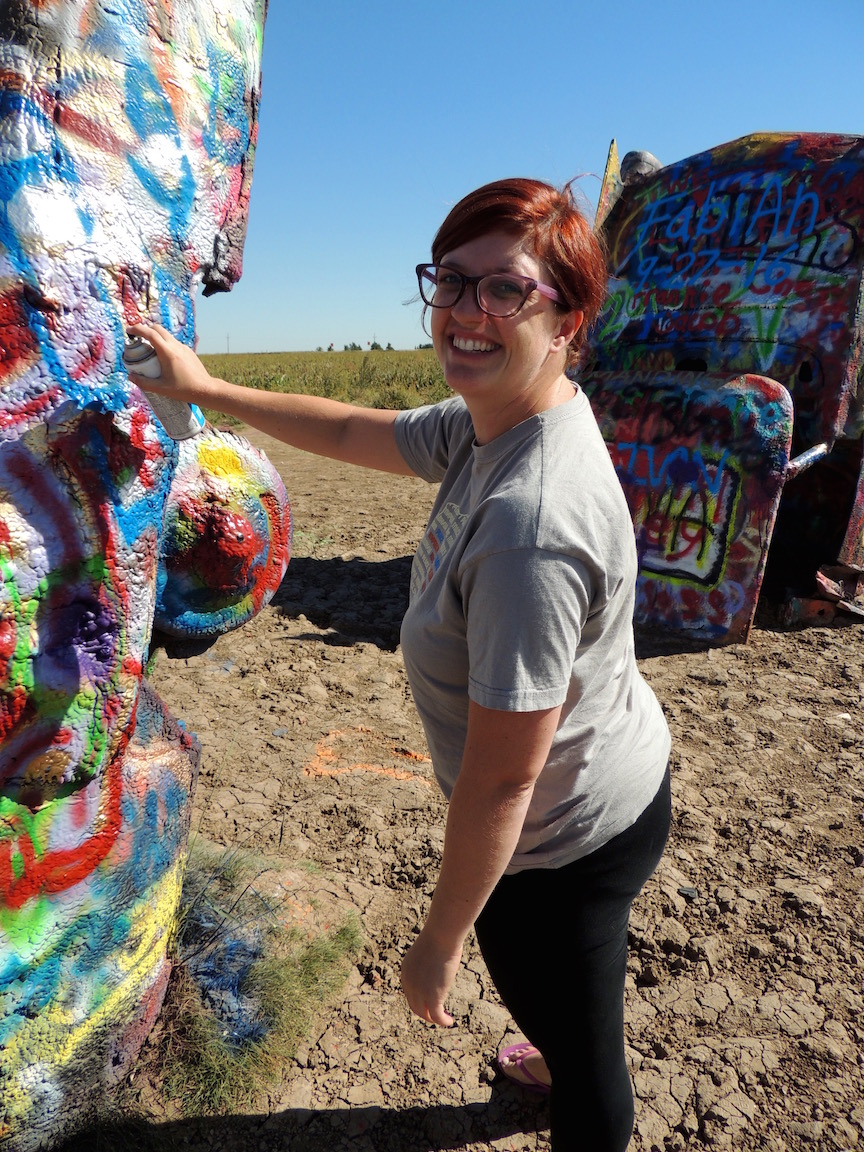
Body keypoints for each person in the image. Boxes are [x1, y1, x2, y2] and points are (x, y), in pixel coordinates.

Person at [128, 176, 671, 1152]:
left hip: (566, 838)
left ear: (569, 323)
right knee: (570, 995)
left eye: (505, 290)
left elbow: (504, 783)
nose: (466, 311)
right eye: (450, 281)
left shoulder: (531, 525)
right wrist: (204, 390)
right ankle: (561, 1042)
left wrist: (438, 942)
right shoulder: (495, 420)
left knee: (584, 1044)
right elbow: (353, 429)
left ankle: (574, 1077)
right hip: (593, 785)